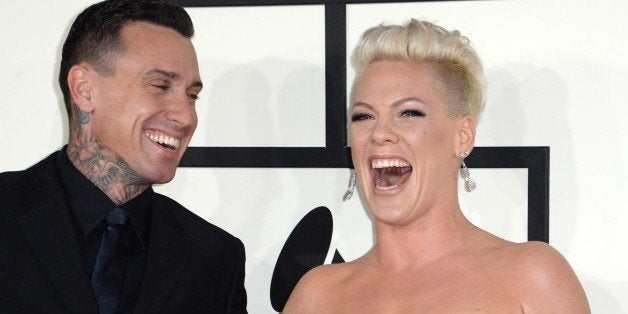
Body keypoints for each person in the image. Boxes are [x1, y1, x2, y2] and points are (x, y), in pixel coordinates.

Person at [283, 19, 589, 313]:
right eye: (363, 116)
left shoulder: (531, 278)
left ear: (463, 135)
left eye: (409, 113)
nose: (379, 133)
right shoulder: (316, 295)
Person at [0, 1, 247, 313]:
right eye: (160, 86)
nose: (186, 117)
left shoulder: (216, 258)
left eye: (192, 95)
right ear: (84, 89)